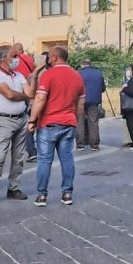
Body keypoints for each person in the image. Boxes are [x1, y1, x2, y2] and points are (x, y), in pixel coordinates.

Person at [28, 47, 85, 207]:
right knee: (67, 158)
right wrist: (75, 119)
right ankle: (67, 194)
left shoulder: (48, 75)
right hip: (69, 122)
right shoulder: (77, 76)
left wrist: (32, 120)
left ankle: (41, 196)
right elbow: (81, 104)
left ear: (54, 57)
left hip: (48, 123)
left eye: (49, 56)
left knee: (45, 161)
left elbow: (40, 99)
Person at [0, 45, 40, 206]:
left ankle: (13, 187)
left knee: (18, 157)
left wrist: (34, 76)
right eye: (14, 56)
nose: (17, 59)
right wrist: (24, 96)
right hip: (4, 120)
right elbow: (9, 94)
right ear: (3, 58)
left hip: (21, 118)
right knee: (0, 155)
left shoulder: (19, 75)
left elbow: (30, 94)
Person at [76, 60, 106, 151]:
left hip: (81, 101)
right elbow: (103, 88)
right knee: (93, 123)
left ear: (83, 65)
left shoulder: (79, 73)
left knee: (80, 122)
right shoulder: (98, 73)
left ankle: (80, 145)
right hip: (94, 101)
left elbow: (76, 87)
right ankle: (94, 145)